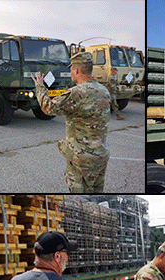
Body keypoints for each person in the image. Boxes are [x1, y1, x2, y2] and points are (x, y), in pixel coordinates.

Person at [31, 52, 111, 193]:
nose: (70, 73)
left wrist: (40, 87)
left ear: (77, 70)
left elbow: (48, 108)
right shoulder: (103, 90)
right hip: (101, 155)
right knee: (97, 193)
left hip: (82, 159)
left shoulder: (77, 92)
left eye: (70, 70)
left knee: (81, 196)